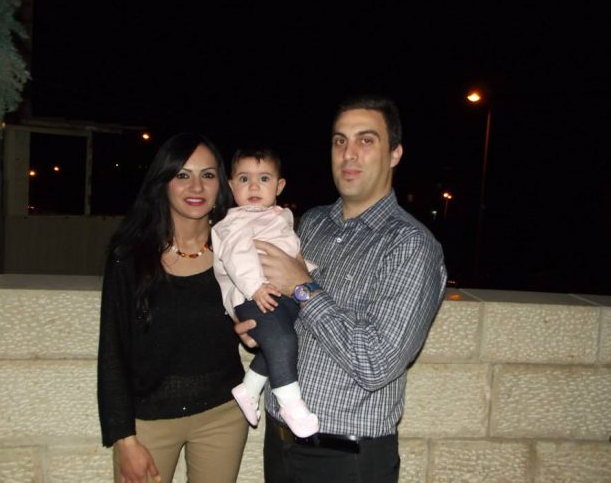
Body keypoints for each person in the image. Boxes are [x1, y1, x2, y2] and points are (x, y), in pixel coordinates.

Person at [235, 95, 447, 483]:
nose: (349, 154)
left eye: (366, 140)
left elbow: (376, 364)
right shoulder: (311, 223)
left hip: (346, 458)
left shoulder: (411, 245)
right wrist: (257, 323)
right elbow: (281, 304)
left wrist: (303, 286)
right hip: (279, 443)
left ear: (395, 153)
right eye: (339, 141)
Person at [97, 133, 248, 483]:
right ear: (163, 181)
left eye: (207, 175)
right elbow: (113, 349)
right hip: (147, 423)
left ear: (221, 185)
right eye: (182, 174)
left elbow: (268, 311)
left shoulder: (237, 250)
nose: (196, 186)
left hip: (223, 416)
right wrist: (124, 439)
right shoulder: (130, 254)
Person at [212, 148, 319, 438]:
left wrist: (307, 273)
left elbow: (289, 252)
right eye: (244, 179)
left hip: (281, 293)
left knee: (281, 341)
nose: (254, 186)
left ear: (279, 186)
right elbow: (238, 255)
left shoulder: (278, 215)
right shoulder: (235, 221)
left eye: (263, 179)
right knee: (282, 340)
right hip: (252, 295)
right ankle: (291, 405)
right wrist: (255, 287)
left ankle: (248, 389)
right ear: (231, 185)